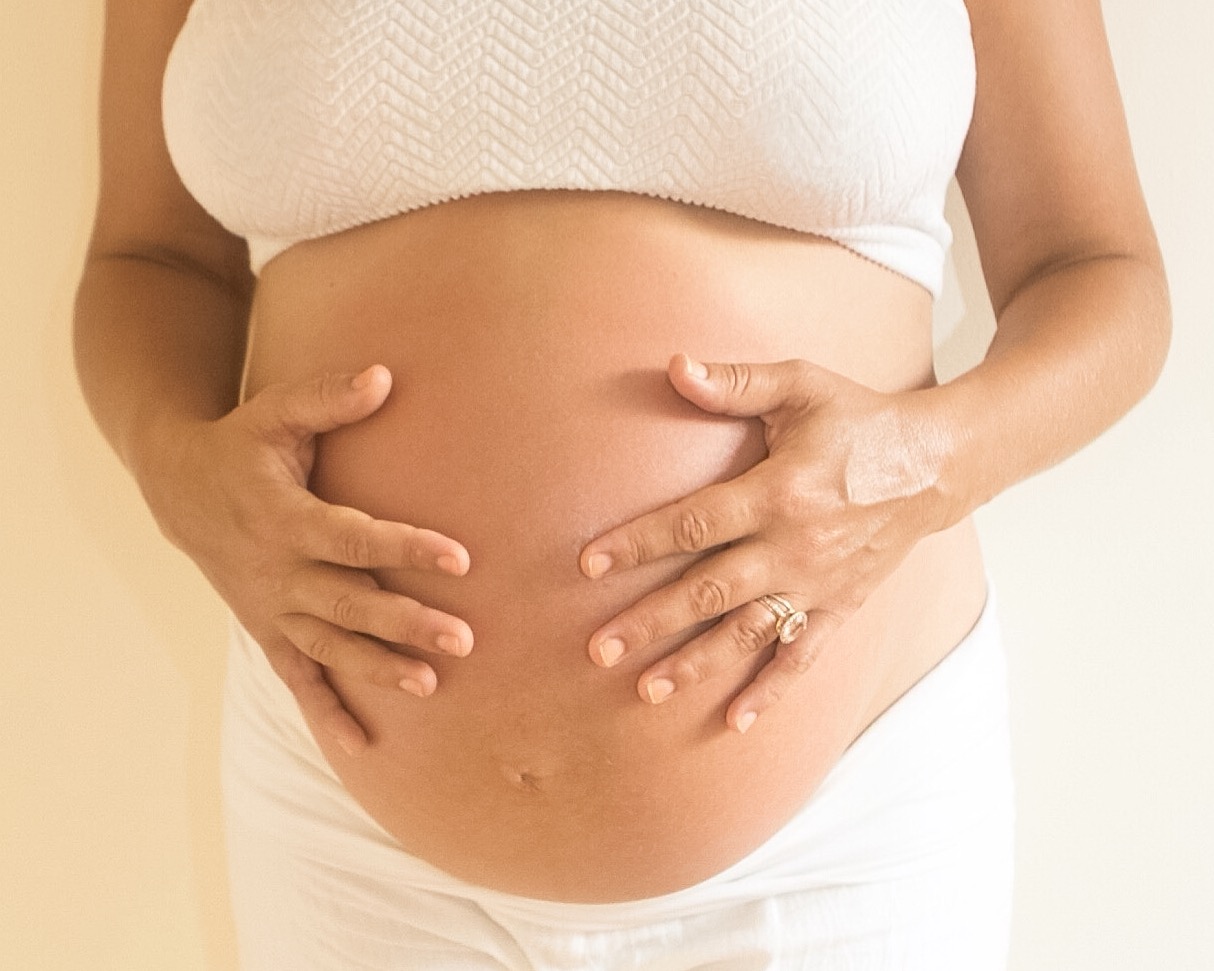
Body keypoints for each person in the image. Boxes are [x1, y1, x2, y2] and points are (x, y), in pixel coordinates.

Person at [73, 0, 1170, 968]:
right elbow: (148, 258)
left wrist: (913, 471)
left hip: (840, 838)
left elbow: (1098, 274)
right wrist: (174, 466)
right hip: (342, 839)